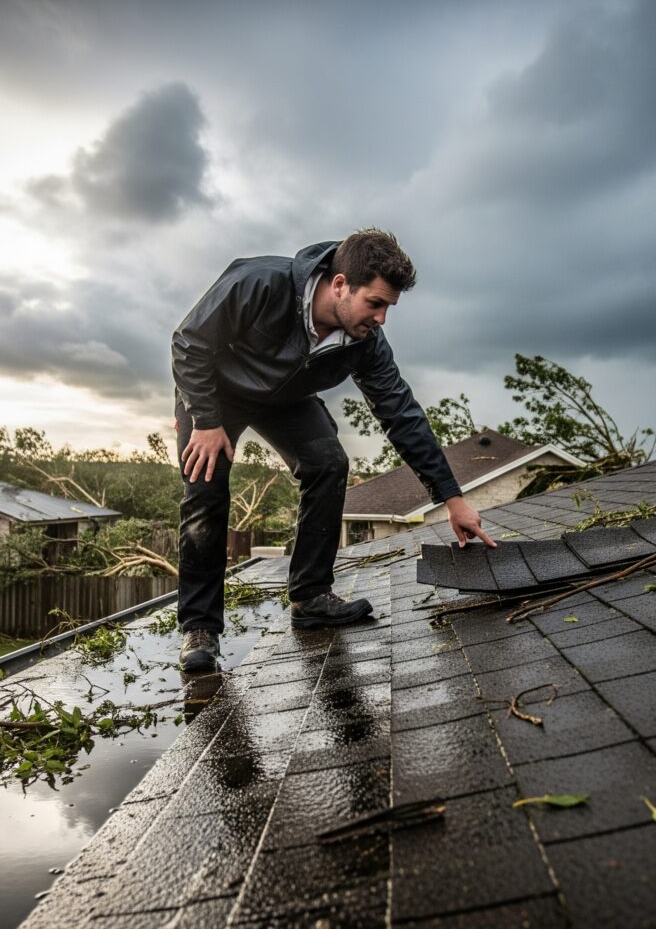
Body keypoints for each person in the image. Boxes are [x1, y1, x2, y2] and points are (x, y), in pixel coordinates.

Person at [172, 229, 495, 672]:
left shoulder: (366, 343)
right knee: (205, 485)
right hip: (215, 394)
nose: (381, 319)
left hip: (286, 399)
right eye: (375, 304)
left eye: (388, 308)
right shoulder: (259, 282)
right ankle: (200, 627)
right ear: (340, 284)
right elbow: (189, 341)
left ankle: (310, 597)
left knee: (328, 463)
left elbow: (401, 413)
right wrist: (205, 420)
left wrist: (452, 498)